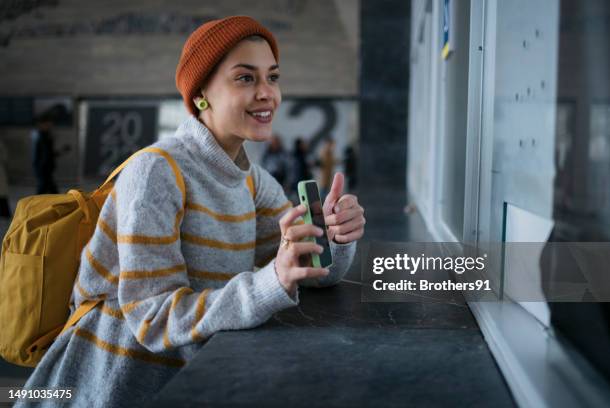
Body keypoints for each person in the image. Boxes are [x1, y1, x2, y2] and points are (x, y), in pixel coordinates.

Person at [17, 16, 365, 407]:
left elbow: (309, 270)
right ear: (201, 93)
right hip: (111, 384)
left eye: (273, 77)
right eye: (245, 78)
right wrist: (271, 282)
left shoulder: (252, 181)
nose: (268, 93)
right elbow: (153, 319)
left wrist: (333, 237)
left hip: (189, 379)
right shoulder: (157, 172)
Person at [31, 114, 59, 194]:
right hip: (43, 168)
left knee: (48, 189)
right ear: (43, 124)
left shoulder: (42, 135)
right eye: (48, 123)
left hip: (43, 167)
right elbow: (46, 153)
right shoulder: (42, 136)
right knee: (44, 190)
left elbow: (48, 152)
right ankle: (34, 206)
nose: (50, 125)